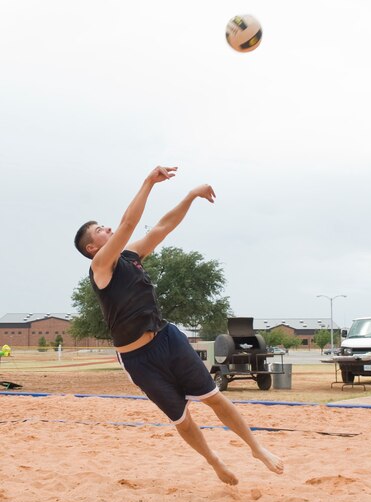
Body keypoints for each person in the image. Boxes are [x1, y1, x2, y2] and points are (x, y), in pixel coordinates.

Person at [74, 166, 283, 485]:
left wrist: (189, 196)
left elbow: (162, 226)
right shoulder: (100, 266)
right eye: (102, 229)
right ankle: (214, 461)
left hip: (167, 339)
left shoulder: (130, 256)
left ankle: (257, 448)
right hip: (138, 359)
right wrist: (148, 182)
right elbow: (128, 224)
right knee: (182, 419)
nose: (109, 229)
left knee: (214, 398)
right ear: (92, 248)